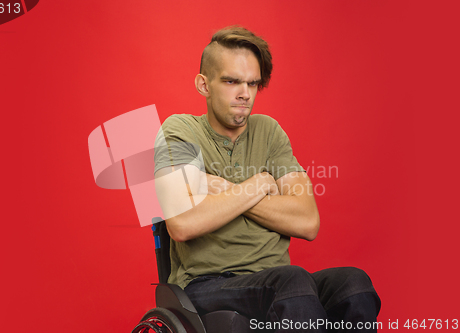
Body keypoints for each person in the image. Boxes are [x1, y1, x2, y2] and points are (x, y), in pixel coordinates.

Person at [154, 26, 380, 332]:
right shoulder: (179, 130)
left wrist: (231, 189)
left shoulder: (269, 132)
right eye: (232, 81)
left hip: (276, 280)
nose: (245, 94)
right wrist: (261, 185)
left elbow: (307, 221)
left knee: (355, 284)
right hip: (207, 284)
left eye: (252, 83)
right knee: (291, 281)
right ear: (203, 85)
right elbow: (182, 223)